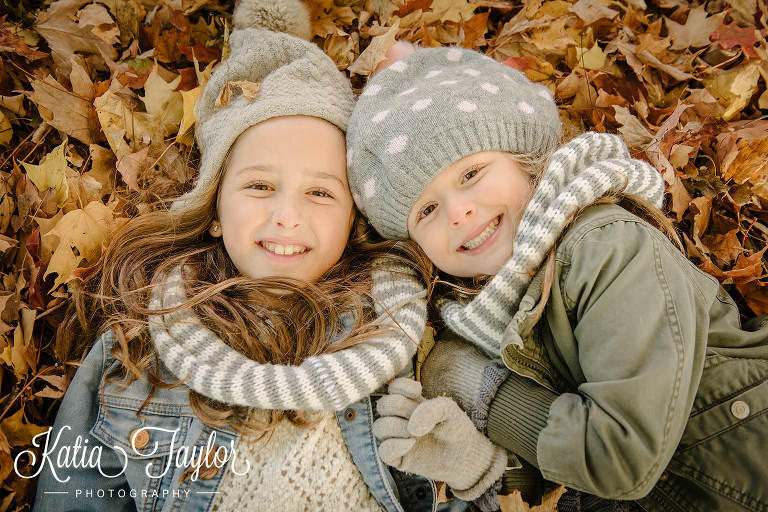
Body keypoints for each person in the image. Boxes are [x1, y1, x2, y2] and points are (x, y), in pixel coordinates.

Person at [29, 3, 452, 511]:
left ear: (352, 221)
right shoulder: (135, 351)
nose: (287, 216)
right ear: (211, 209)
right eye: (259, 186)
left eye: (320, 194)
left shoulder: (405, 335)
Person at [345, 44, 768, 512]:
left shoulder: (605, 248)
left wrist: (489, 395)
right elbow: (575, 483)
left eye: (471, 173)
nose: (458, 211)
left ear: (526, 161)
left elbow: (619, 458)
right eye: (426, 210)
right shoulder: (487, 312)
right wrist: (477, 463)